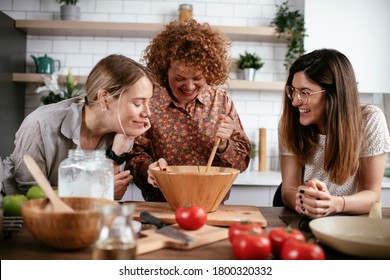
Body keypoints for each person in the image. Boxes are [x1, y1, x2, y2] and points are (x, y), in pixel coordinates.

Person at [126, 19, 251, 202]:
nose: (189, 86)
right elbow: (133, 156)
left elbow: (241, 163)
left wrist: (225, 145)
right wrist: (148, 168)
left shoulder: (221, 102)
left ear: (209, 72)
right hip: (161, 205)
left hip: (212, 204)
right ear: (165, 70)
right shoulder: (149, 102)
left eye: (197, 77)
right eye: (179, 78)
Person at [2, 54, 155, 200]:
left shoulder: (121, 134)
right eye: (137, 103)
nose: (148, 112)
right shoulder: (41, 124)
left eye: (149, 102)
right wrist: (95, 191)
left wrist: (119, 148)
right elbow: (31, 193)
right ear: (105, 99)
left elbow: (111, 194)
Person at [278, 48, 390, 218]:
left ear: (334, 94)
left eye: (305, 92)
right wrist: (309, 202)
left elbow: (372, 195)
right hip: (305, 218)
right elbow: (288, 190)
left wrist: (334, 204)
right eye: (293, 90)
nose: (295, 101)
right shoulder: (290, 123)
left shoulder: (370, 120)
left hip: (351, 221)